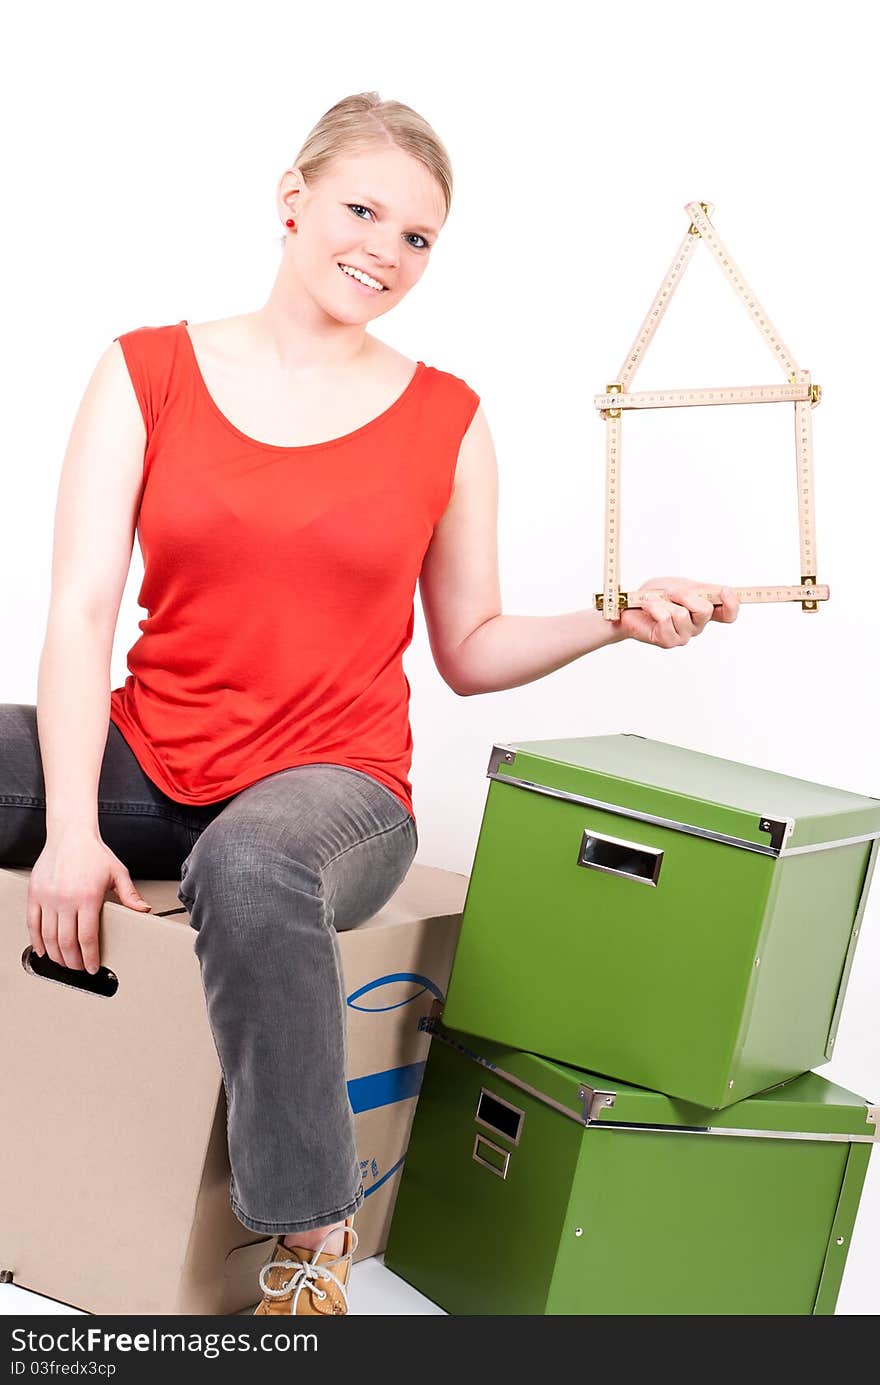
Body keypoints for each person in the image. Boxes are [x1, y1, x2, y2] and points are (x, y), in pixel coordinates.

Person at [1, 91, 739, 1317]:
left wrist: (614, 616)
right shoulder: (146, 371)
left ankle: (307, 1232)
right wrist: (73, 830)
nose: (385, 252)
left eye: (417, 238)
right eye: (363, 210)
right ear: (290, 202)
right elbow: (78, 612)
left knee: (249, 869)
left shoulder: (445, 417)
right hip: (149, 750)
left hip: (331, 788)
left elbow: (472, 646)